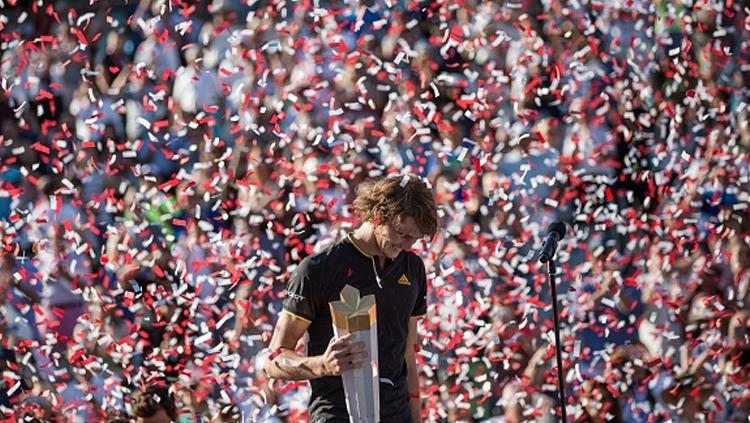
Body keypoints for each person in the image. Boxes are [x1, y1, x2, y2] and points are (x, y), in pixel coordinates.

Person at [263, 174, 438, 422]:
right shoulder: (318, 269)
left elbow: (408, 354)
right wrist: (322, 365)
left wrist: (416, 418)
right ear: (379, 214)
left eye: (415, 239)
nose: (408, 246)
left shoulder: (413, 267)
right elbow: (273, 360)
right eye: (403, 234)